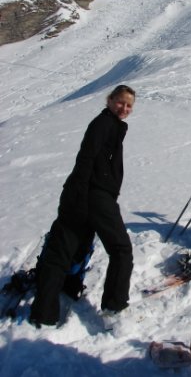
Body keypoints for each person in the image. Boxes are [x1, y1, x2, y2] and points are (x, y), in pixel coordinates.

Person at [30, 85, 136, 326]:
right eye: (120, 102)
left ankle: (43, 314)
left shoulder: (111, 125)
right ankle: (115, 306)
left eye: (129, 105)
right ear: (109, 100)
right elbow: (86, 158)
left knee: (62, 253)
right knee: (121, 250)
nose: (124, 108)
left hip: (82, 194)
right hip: (93, 195)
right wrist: (87, 194)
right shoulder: (103, 124)